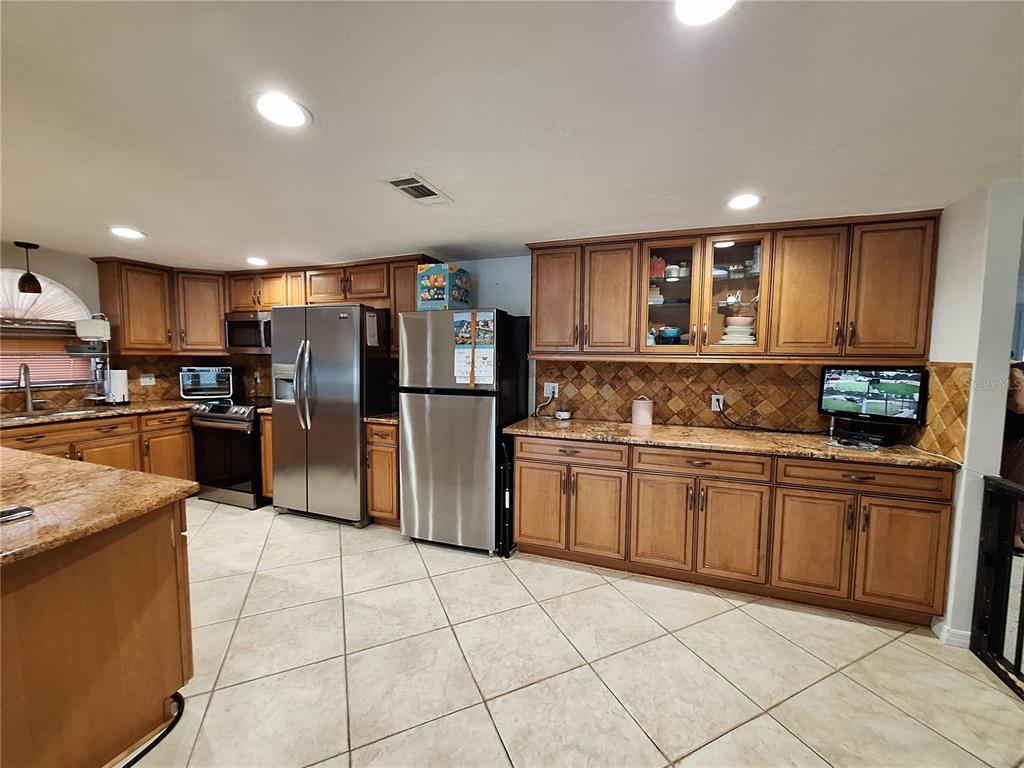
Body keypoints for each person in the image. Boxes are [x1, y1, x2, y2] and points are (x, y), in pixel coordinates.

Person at [1001, 362, 1024, 550]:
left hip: (1015, 434)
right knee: (1015, 481)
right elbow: (1020, 405)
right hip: (1013, 436)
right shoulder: (1017, 372)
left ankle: (1016, 533)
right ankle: (1014, 535)